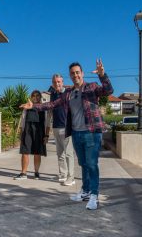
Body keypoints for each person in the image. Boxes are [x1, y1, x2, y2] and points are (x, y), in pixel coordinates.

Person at [21, 59, 113, 210]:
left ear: (82, 73)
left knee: (92, 164)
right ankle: (85, 192)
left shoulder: (92, 87)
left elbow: (108, 90)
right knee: (83, 164)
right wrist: (34, 106)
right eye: (72, 73)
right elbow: (52, 104)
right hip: (76, 133)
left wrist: (102, 75)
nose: (75, 75)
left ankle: (95, 196)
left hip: (91, 132)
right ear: (70, 76)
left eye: (77, 72)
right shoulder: (69, 93)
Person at [46, 74, 75, 186]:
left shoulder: (68, 93)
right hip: (56, 127)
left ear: (62, 82)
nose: (56, 84)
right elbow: (50, 111)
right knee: (60, 153)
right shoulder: (53, 94)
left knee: (68, 153)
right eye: (54, 82)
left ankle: (71, 177)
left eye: (58, 81)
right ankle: (63, 174)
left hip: (66, 127)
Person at [14, 90, 47, 180]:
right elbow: (23, 121)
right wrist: (21, 132)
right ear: (31, 97)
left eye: (37, 96)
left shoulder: (44, 107)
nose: (35, 97)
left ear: (40, 97)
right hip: (27, 131)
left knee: (37, 153)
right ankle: (23, 173)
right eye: (33, 96)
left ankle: (36, 173)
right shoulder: (26, 107)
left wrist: (46, 135)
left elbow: (47, 123)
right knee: (25, 152)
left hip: (39, 132)